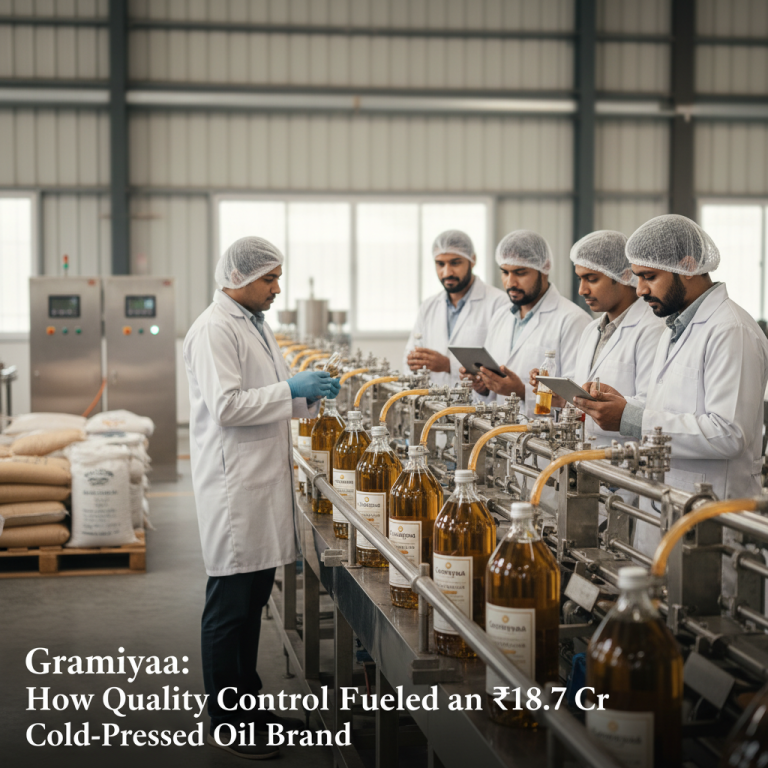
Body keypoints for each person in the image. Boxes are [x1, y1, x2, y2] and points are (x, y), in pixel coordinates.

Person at [184, 236, 341, 759]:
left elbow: (267, 396)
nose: (278, 288)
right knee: (229, 607)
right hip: (233, 489)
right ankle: (227, 720)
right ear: (238, 279)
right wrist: (292, 387)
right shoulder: (213, 329)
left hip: (256, 479)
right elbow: (228, 407)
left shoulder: (252, 323)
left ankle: (250, 707)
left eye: (278, 277)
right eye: (269, 279)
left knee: (250, 603)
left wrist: (305, 395)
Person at [573, 215, 768, 552]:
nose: (640, 289)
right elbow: (668, 403)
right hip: (667, 507)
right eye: (637, 277)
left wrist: (631, 419)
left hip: (710, 519)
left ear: (688, 266)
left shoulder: (730, 331)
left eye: (650, 277)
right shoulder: (675, 328)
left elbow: (729, 433)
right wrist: (626, 403)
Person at [529, 230, 664, 444]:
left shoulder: (653, 330)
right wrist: (563, 399)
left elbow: (652, 408)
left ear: (625, 275)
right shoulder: (592, 330)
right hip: (589, 455)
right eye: (580, 279)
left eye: (591, 279)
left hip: (626, 458)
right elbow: (587, 397)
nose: (582, 290)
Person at [463, 229, 591, 416]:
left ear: (544, 268)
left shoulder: (573, 321)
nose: (510, 282)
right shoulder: (501, 315)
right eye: (505, 272)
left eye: (520, 273)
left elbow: (577, 402)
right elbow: (494, 394)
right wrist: (483, 387)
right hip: (500, 434)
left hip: (545, 440)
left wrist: (522, 393)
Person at [403, 229, 507, 386]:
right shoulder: (429, 306)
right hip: (435, 404)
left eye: (455, 263)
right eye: (440, 264)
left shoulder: (499, 304)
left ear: (472, 260)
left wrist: (448, 365)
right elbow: (409, 358)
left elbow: (503, 365)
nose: (447, 272)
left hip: (477, 406)